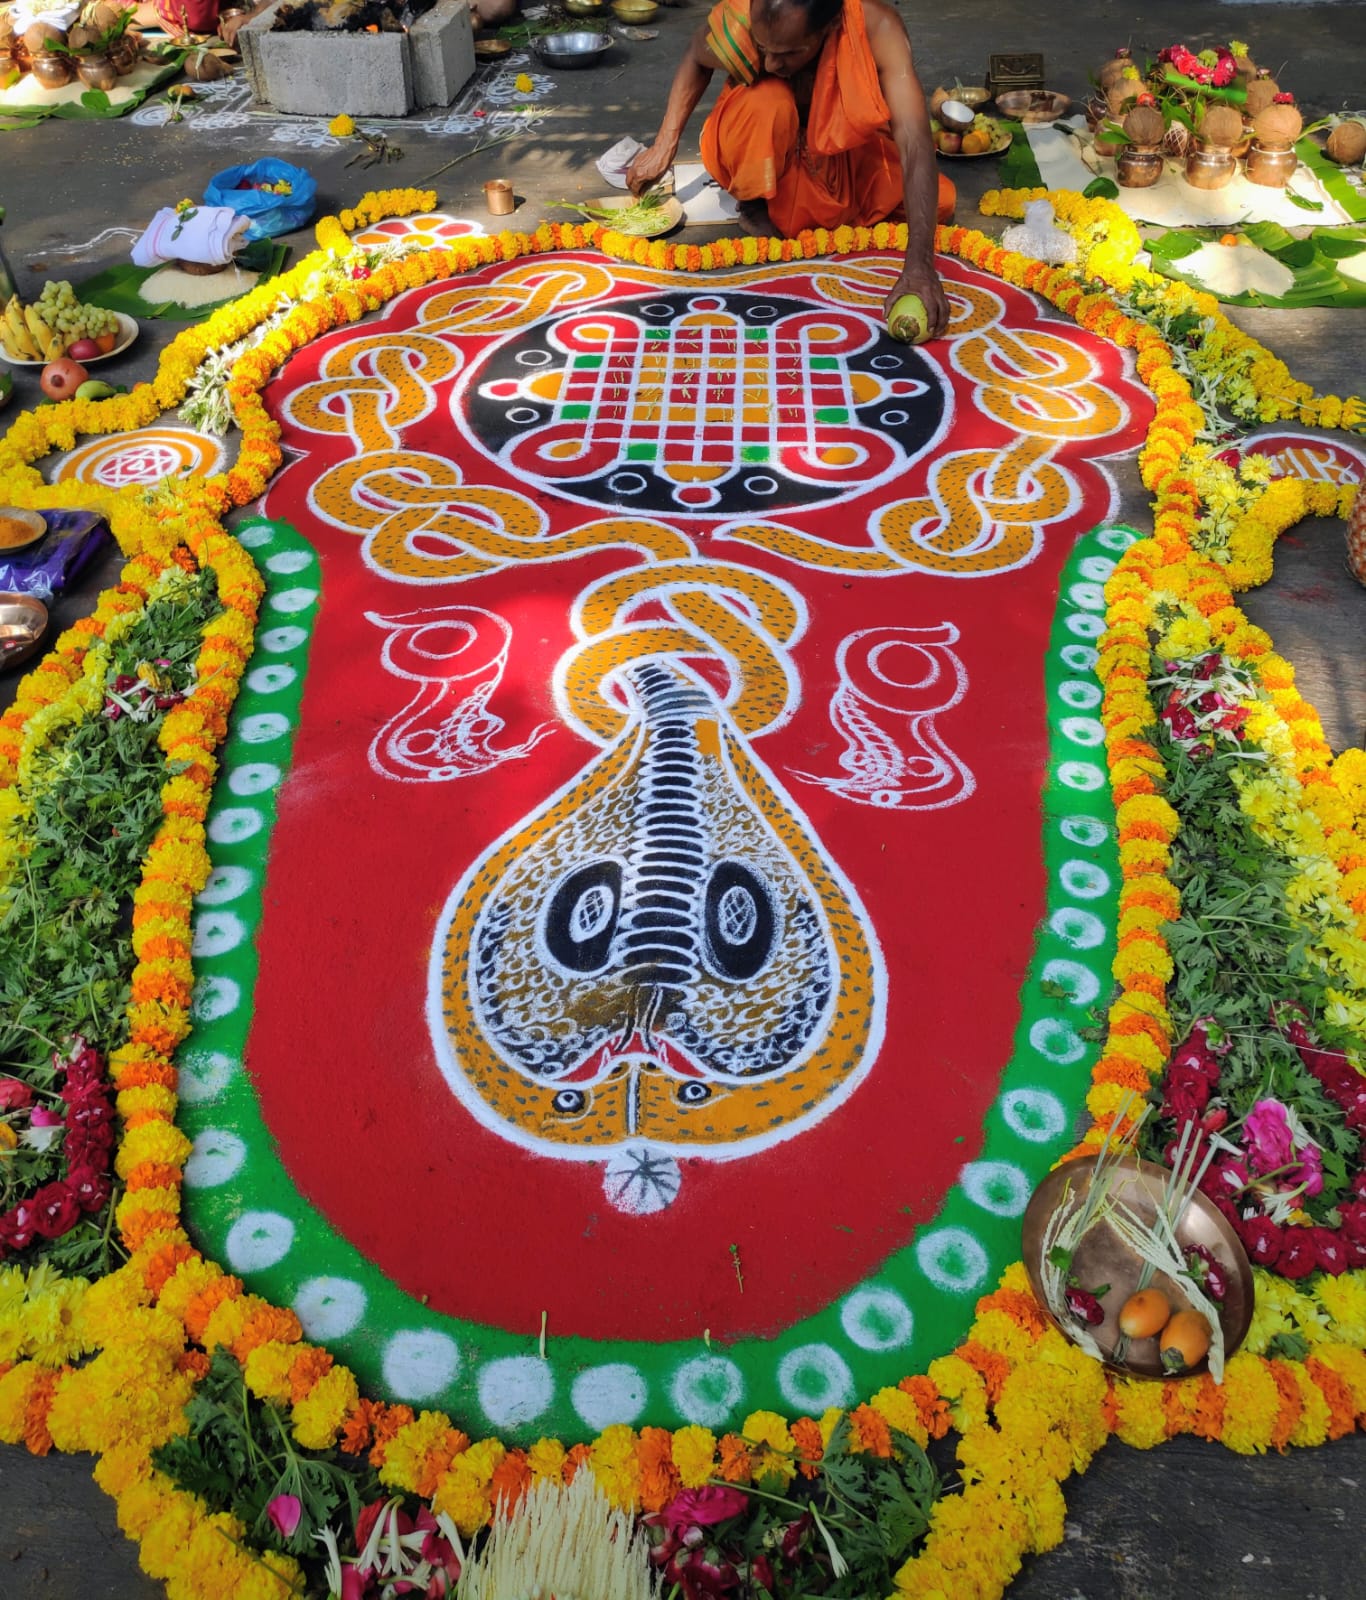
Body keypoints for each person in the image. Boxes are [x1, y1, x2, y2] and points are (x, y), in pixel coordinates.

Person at [626, 0, 951, 339]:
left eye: (788, 53)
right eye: (764, 49)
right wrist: (665, 144)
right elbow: (697, 55)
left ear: (830, 26)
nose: (769, 62)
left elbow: (914, 141)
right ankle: (757, 199)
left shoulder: (878, 28)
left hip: (833, 146)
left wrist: (920, 267)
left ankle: (805, 201)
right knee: (768, 104)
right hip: (759, 137)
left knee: (937, 201)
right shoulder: (745, 18)